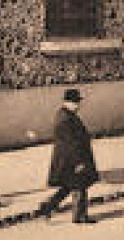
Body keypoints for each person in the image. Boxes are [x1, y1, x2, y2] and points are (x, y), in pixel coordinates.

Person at [37, 88, 98, 223]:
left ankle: (47, 207)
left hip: (68, 160)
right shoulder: (65, 119)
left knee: (69, 187)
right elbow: (70, 144)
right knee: (79, 186)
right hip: (71, 160)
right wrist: (78, 162)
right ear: (69, 102)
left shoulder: (66, 115)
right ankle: (80, 216)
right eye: (76, 102)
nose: (78, 105)